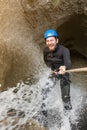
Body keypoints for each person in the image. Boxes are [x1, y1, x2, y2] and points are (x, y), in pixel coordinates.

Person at [43, 29, 72, 110]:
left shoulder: (64, 50)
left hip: (64, 72)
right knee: (44, 93)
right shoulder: (45, 50)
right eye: (47, 41)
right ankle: (43, 119)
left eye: (52, 40)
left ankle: (68, 120)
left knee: (65, 98)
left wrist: (64, 67)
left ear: (57, 40)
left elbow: (68, 62)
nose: (50, 43)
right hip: (54, 72)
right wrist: (52, 70)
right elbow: (46, 62)